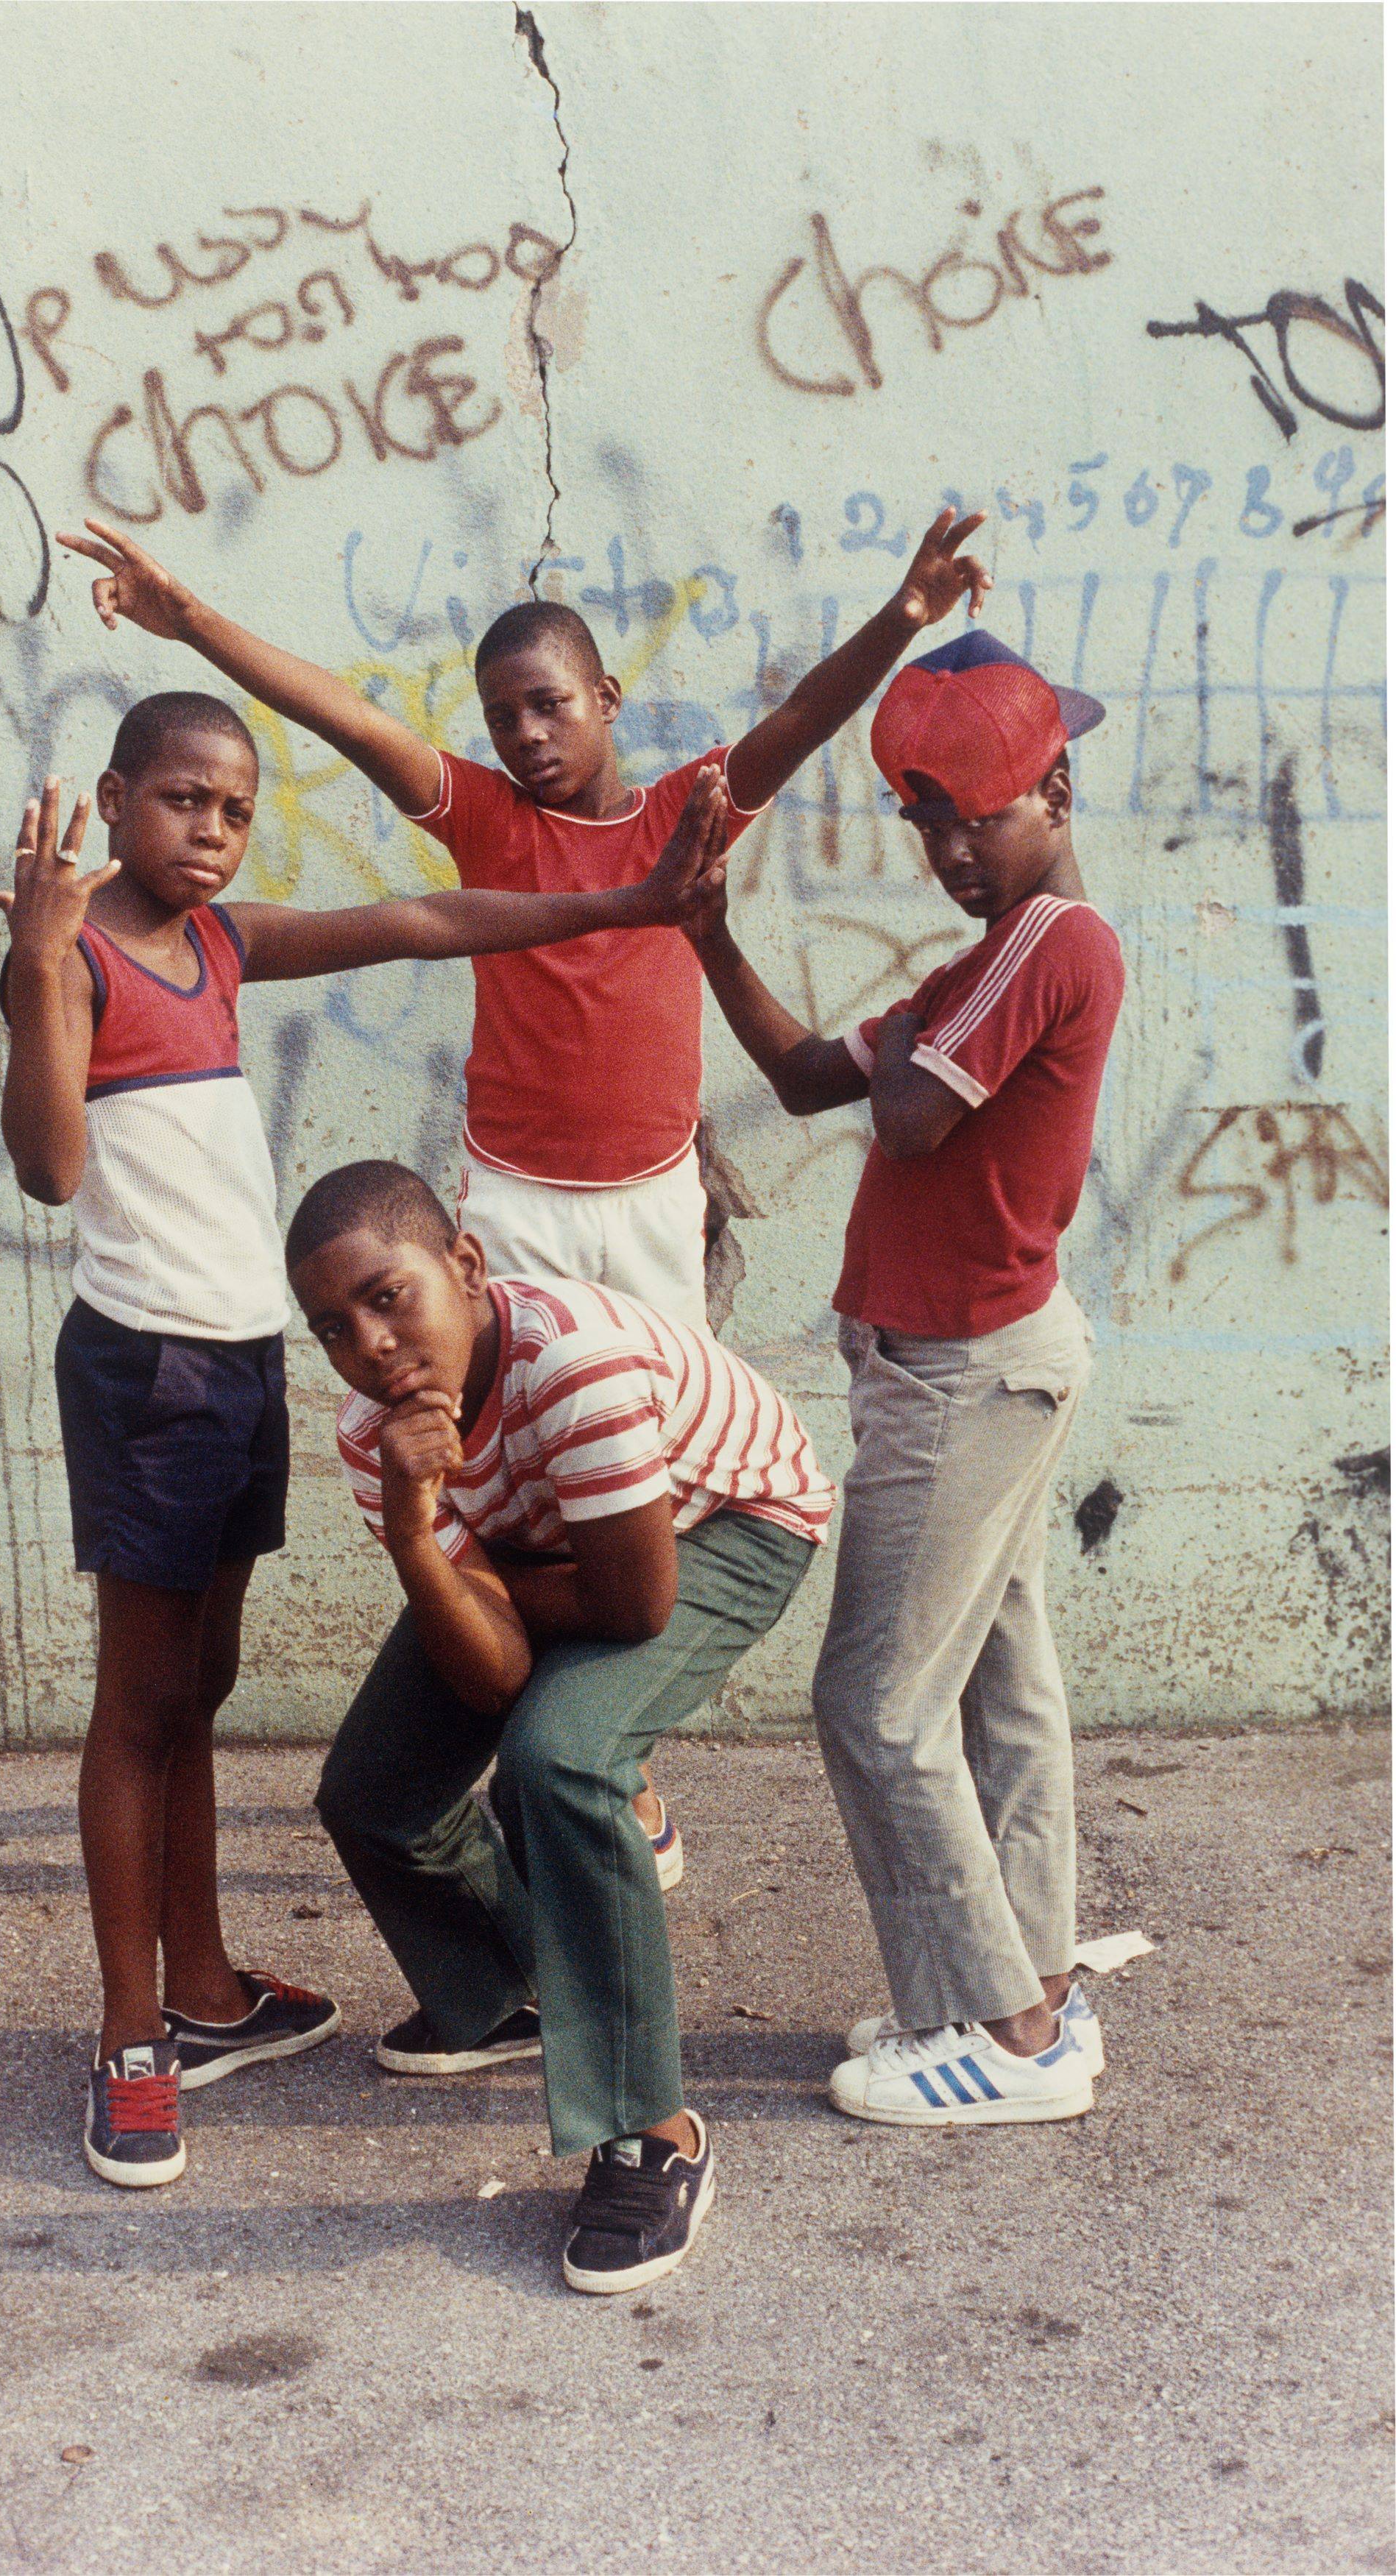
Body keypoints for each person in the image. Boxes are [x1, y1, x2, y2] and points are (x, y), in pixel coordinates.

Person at [54, 504, 990, 1885]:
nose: (527, 736)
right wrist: (187, 619)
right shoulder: (487, 817)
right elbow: (339, 716)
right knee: (501, 1479)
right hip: (513, 1208)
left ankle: (621, 1761)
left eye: (550, 705)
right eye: (502, 716)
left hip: (653, 1201)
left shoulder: (687, 811)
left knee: (643, 1491)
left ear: (607, 700)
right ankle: (509, 1740)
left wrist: (905, 618)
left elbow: (801, 715)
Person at [0, 697, 726, 2188]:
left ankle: (201, 1990)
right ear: (118, 799)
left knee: (197, 1681)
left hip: (238, 1367)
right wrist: (28, 971)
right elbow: (50, 1166)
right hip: (144, 1375)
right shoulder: (73, 956)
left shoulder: (214, 946)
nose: (210, 828)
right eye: (181, 799)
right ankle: (132, 2041)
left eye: (235, 809)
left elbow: (416, 915)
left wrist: (633, 900)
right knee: (138, 1706)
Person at [684, 629, 1124, 2127]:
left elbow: (912, 1118)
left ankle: (996, 2039)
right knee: (999, 1687)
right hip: (957, 1371)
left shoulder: (1051, 945)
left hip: (963, 1380)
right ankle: (1026, 1992)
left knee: (872, 1704)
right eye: (923, 820)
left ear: (1055, 788)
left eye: (976, 815)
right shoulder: (983, 956)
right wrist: (707, 935)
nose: (946, 849)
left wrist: (918, 1035)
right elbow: (820, 1075)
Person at [285, 1138, 835, 2294]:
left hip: (727, 1520)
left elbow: (633, 1606)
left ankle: (654, 2132)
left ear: (468, 1264)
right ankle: (510, 1992)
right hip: (565, 1545)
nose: (372, 1347)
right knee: (374, 1793)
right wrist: (412, 1525)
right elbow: (485, 1675)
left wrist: (486, 1582)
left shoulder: (568, 1365)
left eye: (390, 1299)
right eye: (335, 1327)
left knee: (562, 1759)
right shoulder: (372, 1437)